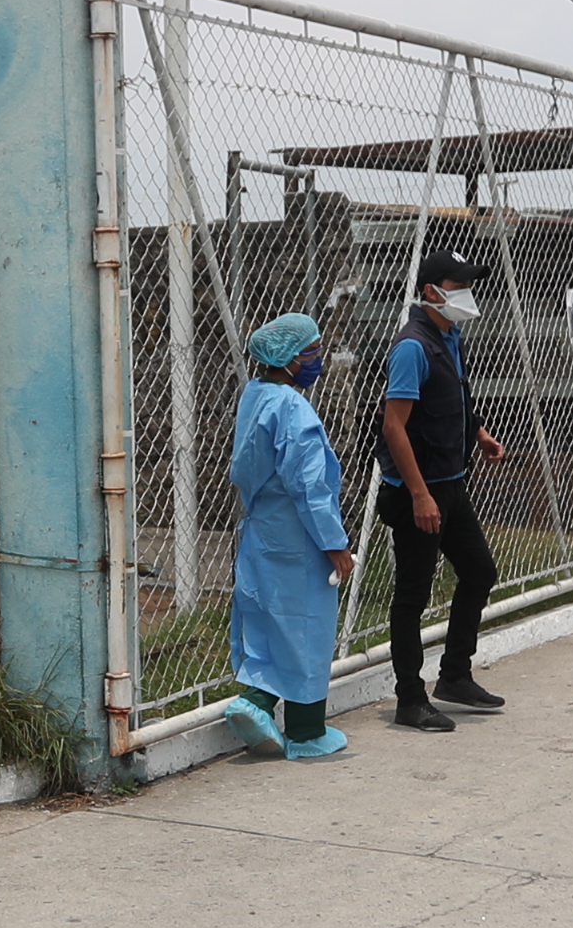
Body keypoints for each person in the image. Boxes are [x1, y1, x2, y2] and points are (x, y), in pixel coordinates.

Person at [376, 250, 512, 732]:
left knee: (479, 572)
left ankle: (453, 675)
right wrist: (419, 495)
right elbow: (395, 426)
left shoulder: (448, 336)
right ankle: (409, 699)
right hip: (419, 493)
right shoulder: (412, 346)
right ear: (432, 292)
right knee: (412, 595)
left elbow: (452, 397)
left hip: (451, 486)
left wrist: (478, 434)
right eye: (459, 285)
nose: (468, 294)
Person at [217, 313, 358, 760]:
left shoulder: (254, 396)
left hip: (263, 529)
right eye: (311, 352)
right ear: (290, 360)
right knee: (308, 629)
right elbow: (310, 486)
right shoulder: (294, 408)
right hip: (300, 537)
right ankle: (305, 730)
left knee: (265, 620)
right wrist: (336, 545)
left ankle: (254, 700)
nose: (317, 359)